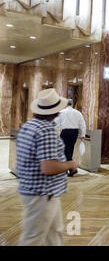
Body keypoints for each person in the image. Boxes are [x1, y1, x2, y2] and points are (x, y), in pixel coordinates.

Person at [16, 88, 77, 246]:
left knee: (54, 233)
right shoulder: (47, 131)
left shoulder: (28, 126)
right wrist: (71, 163)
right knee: (32, 238)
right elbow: (48, 168)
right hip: (43, 193)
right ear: (56, 111)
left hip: (35, 190)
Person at [54, 99, 86, 177]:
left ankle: (72, 168)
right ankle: (67, 169)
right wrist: (82, 135)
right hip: (75, 132)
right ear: (72, 104)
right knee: (70, 150)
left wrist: (58, 130)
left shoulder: (61, 112)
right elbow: (82, 124)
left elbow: (55, 123)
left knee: (65, 150)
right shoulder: (78, 113)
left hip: (65, 132)